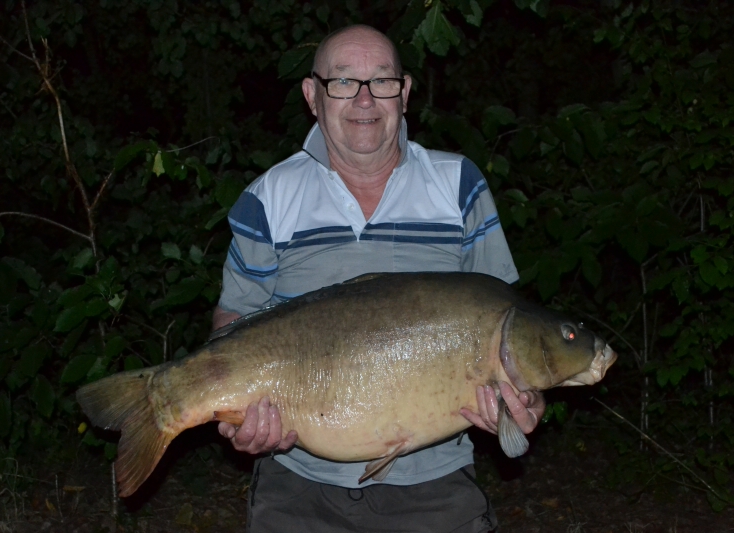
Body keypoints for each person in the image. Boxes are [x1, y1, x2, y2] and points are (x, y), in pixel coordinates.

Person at [211, 24, 545, 533]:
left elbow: (505, 326)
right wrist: (237, 418)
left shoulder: (459, 185)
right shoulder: (268, 197)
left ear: (405, 93)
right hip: (297, 484)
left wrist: (526, 399)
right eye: (343, 82)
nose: (365, 100)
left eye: (382, 82)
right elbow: (231, 324)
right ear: (312, 95)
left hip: (434, 485)